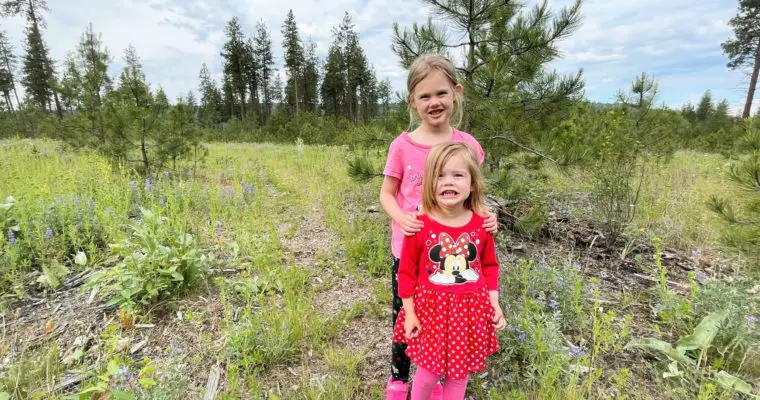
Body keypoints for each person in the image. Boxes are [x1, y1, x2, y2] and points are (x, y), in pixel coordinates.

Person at [380, 53, 497, 399]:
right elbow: (387, 194)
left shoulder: (467, 145)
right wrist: (400, 217)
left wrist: (488, 215)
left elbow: (474, 194)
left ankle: (447, 372)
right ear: (412, 101)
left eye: (441, 93)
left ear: (456, 92)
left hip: (453, 259)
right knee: (406, 315)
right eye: (425, 96)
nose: (434, 102)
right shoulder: (402, 146)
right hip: (410, 250)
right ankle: (400, 377)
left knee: (449, 320)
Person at [393, 142, 506, 400]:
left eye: (458, 175)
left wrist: (494, 304)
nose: (448, 182)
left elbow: (489, 267)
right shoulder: (418, 225)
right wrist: (409, 313)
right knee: (429, 372)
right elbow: (407, 273)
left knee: (459, 374)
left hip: (469, 313)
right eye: (440, 175)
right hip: (431, 313)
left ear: (472, 183)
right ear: (430, 184)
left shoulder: (482, 224)